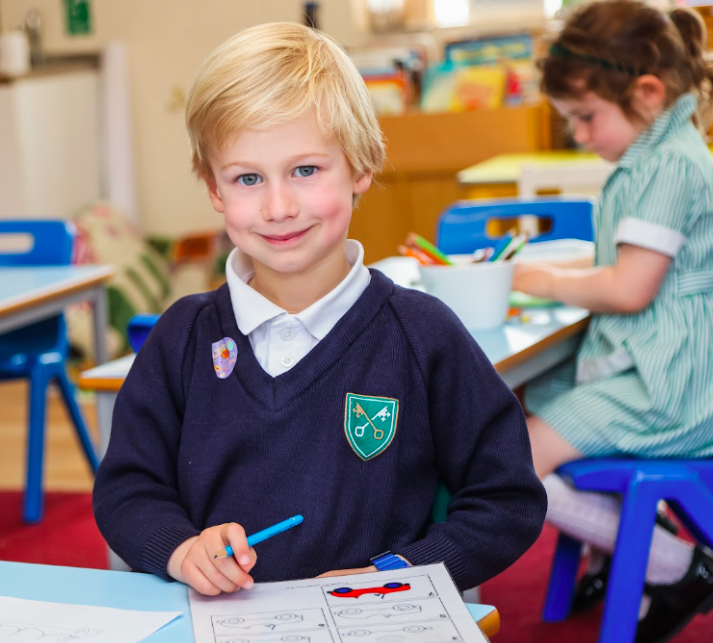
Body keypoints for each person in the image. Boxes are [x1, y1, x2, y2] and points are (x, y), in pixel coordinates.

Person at [92, 22, 546, 597]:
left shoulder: (423, 335)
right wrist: (182, 552)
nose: (279, 206)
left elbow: (507, 499)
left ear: (361, 168)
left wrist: (398, 575)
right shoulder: (181, 338)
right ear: (214, 189)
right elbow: (128, 489)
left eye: (305, 170)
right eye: (248, 178)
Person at [512, 2, 713, 641]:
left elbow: (629, 287)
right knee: (522, 408)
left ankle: (675, 564)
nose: (579, 135)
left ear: (647, 94)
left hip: (672, 388)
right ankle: (640, 549)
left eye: (586, 117)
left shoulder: (671, 165)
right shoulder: (655, 157)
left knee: (506, 461)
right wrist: (567, 266)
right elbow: (628, 259)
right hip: (650, 367)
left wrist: (540, 279)